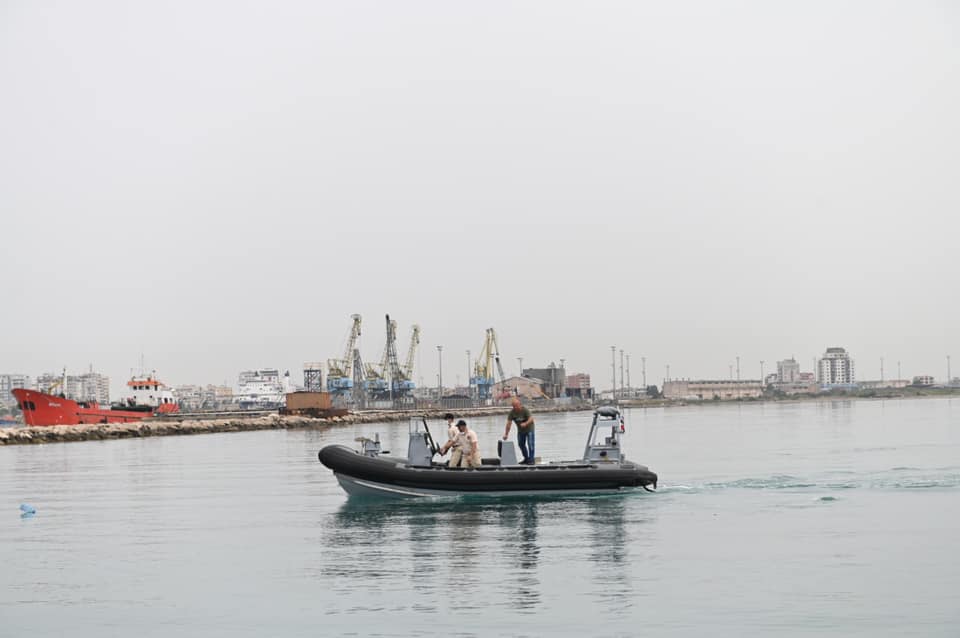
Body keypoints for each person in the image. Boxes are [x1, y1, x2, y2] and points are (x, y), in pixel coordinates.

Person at [503, 397, 536, 464]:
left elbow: (531, 418)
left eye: (517, 406)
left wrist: (525, 423)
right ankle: (526, 458)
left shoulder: (525, 410)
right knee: (521, 444)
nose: (516, 408)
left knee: (530, 444)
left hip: (529, 429)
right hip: (521, 431)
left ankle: (531, 460)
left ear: (520, 405)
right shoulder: (512, 413)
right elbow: (509, 424)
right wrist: (506, 434)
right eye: (514, 406)